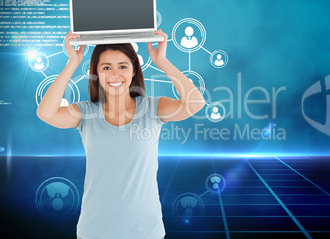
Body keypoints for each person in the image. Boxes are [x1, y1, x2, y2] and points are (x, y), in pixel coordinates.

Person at [36, 29, 205, 239]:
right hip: (94, 231)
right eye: (106, 67)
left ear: (134, 70)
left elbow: (195, 103)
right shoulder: (86, 113)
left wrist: (161, 61)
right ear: (96, 72)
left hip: (146, 231)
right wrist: (72, 62)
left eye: (123, 66)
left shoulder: (153, 108)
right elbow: (46, 113)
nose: (115, 74)